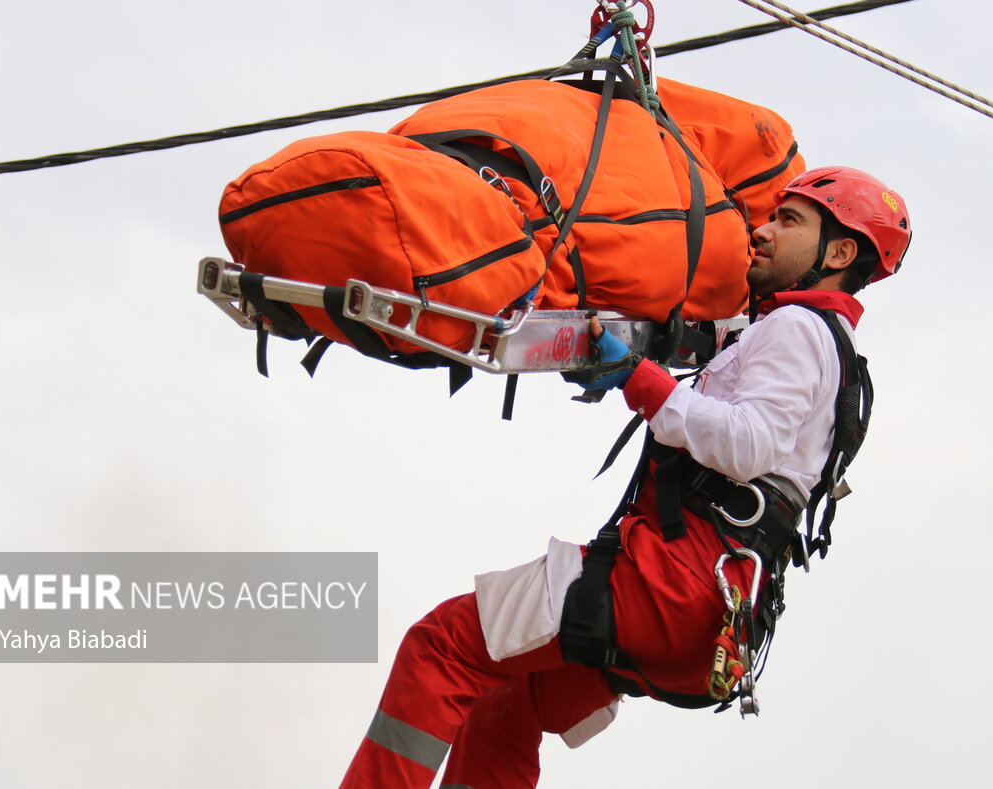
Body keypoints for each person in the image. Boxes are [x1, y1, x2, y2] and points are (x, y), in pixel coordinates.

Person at [337, 165, 912, 788]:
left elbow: (749, 444)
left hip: (672, 580)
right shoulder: (831, 352)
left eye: (789, 220)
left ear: (839, 254)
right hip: (713, 620)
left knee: (442, 645)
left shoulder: (796, 327)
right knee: (508, 701)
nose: (764, 230)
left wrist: (638, 379)